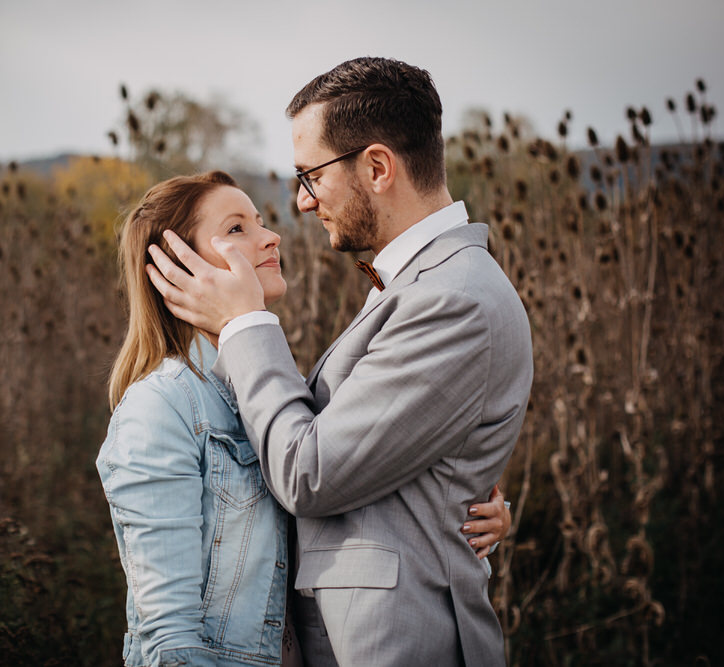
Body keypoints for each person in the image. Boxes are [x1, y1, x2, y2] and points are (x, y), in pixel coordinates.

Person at [146, 57, 533, 666]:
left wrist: (246, 323)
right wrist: (450, 486)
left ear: (377, 167)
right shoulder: (418, 286)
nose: (299, 204)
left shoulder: (451, 300)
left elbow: (309, 471)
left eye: (311, 176)